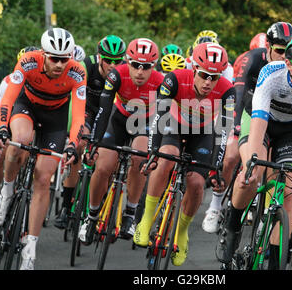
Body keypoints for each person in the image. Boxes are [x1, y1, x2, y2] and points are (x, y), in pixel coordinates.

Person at [216, 34, 292, 268]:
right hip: (261, 120)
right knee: (252, 173)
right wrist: (251, 162)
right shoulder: (272, 74)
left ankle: (275, 262)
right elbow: (259, 122)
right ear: (290, 64)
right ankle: (233, 226)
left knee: (289, 193)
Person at [0, 27, 86, 270]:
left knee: (43, 178)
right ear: (44, 54)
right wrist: (2, 129)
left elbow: (79, 117)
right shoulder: (28, 62)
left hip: (56, 118)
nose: (60, 65)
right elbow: (8, 99)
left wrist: (73, 144)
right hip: (27, 106)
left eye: (64, 59)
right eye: (54, 58)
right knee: (19, 140)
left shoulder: (77, 72)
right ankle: (6, 192)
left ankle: (30, 248)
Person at [134, 42, 235, 266]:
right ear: (194, 69)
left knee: (197, 183)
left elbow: (223, 132)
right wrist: (153, 152)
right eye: (205, 75)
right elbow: (158, 117)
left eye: (215, 77)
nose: (209, 82)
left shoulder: (227, 89)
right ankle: (147, 218)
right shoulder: (175, 78)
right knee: (166, 157)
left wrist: (215, 169)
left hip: (203, 133)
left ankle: (181, 232)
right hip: (173, 126)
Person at [202, 23, 292, 234]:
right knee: (231, 155)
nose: (284, 56)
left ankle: (265, 212)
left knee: (276, 166)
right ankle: (216, 206)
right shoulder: (253, 58)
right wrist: (234, 124)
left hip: (275, 119)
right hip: (247, 108)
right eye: (280, 51)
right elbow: (238, 90)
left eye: (288, 51)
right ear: (268, 47)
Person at [79, 38, 164, 244]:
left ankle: (129, 214)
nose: (140, 72)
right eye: (135, 65)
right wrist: (94, 143)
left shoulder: (161, 82)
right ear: (127, 61)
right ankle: (91, 217)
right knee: (103, 166)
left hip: (144, 121)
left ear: (154, 66)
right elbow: (104, 108)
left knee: (139, 157)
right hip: (117, 118)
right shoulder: (117, 74)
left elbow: (162, 117)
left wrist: (154, 149)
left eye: (146, 66)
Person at [54, 35, 127, 230]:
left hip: (109, 115)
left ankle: (100, 202)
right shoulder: (87, 65)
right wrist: (73, 133)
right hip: (86, 110)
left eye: (117, 61)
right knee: (79, 145)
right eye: (108, 60)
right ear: (99, 57)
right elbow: (74, 101)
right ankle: (66, 207)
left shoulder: (124, 73)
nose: (113, 65)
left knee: (110, 158)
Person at [0, 46, 39, 228]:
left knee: (29, 154)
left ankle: (25, 196)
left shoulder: (42, 82)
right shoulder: (8, 81)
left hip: (31, 125)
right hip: (8, 124)